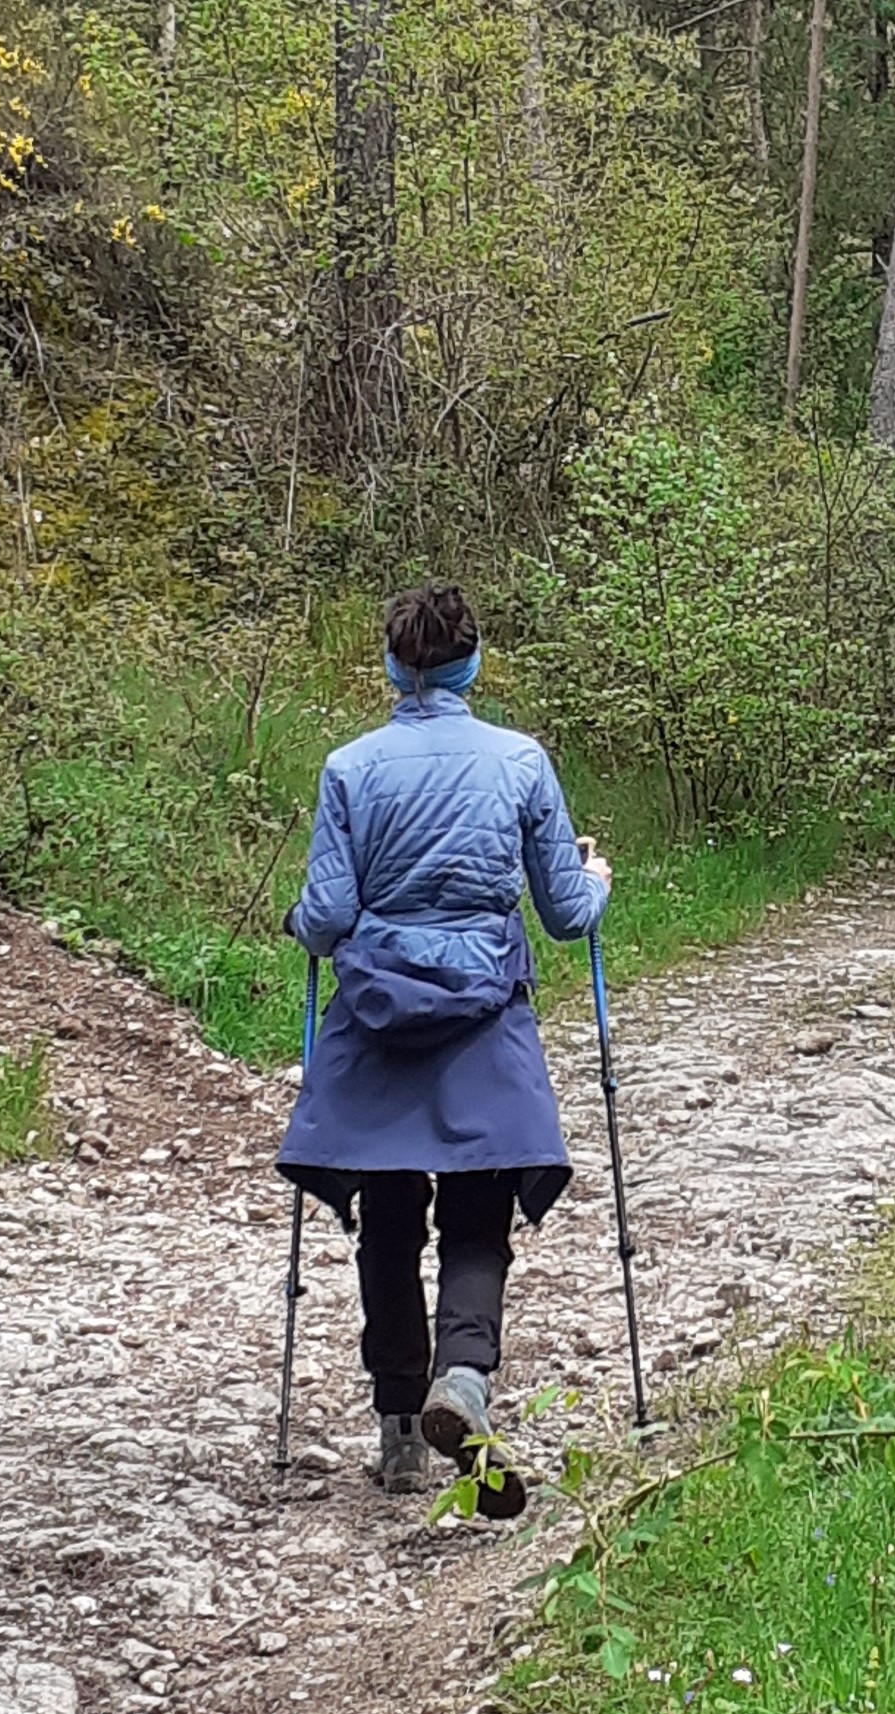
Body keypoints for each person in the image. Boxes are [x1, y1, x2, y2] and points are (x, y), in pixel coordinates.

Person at [275, 583, 612, 1513]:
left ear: (393, 666)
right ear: (472, 663)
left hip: (379, 1014)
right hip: (481, 1012)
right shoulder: (520, 761)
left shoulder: (349, 768)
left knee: (386, 1217)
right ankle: (462, 1379)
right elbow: (564, 913)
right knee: (476, 1212)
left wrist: (301, 922)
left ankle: (396, 1432)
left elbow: (329, 918)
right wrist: (597, 878)